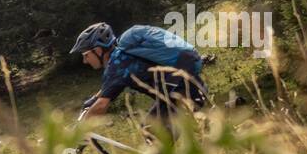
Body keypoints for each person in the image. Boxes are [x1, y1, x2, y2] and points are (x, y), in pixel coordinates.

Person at [72, 22, 207, 126]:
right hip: (188, 88)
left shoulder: (117, 65)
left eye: (86, 55)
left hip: (183, 93)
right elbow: (107, 89)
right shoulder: (121, 58)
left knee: (151, 131)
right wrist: (92, 100)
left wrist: (79, 130)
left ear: (98, 50)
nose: (84, 61)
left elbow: (102, 105)